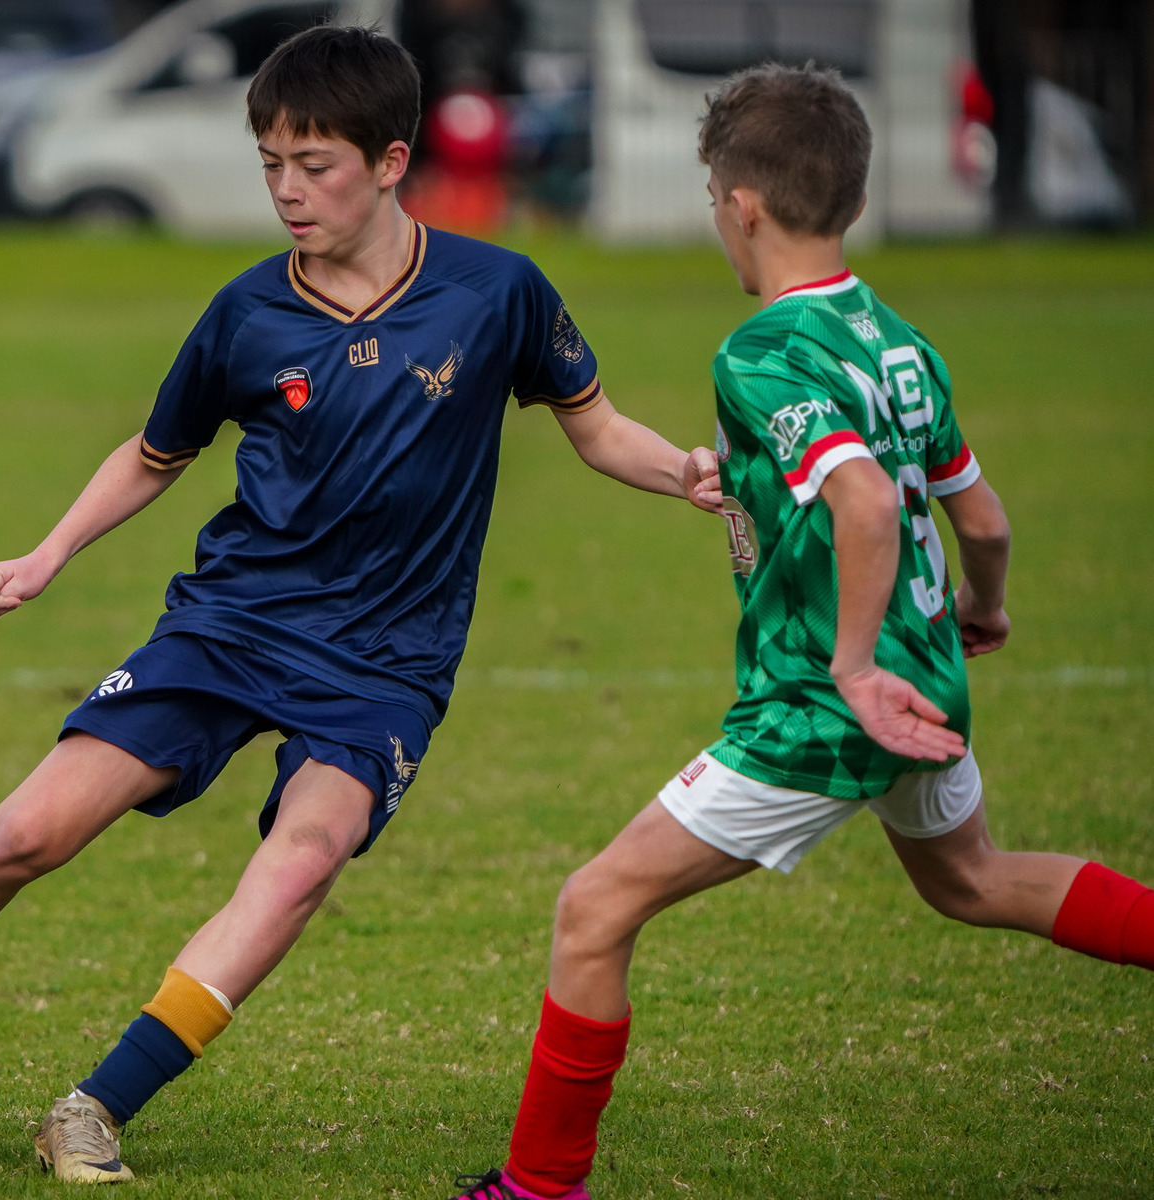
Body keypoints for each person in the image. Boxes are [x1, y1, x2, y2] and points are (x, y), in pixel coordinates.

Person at [0, 25, 719, 1184]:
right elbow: (153, 453)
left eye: (313, 165)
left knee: (302, 860)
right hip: (228, 626)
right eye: (270, 164)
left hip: (383, 664)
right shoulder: (245, 315)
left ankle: (92, 1108)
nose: (287, 191)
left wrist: (680, 469)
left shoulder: (496, 292)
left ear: (389, 162)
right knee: (20, 834)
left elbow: (593, 427)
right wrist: (46, 556)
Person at [446, 63, 1154, 1200]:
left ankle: (537, 1187)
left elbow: (867, 500)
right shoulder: (894, 337)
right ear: (854, 202)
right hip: (926, 678)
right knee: (970, 882)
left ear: (739, 207)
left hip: (829, 703)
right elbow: (976, 512)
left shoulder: (758, 351)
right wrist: (982, 607)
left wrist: (853, 666)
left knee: (592, 907)